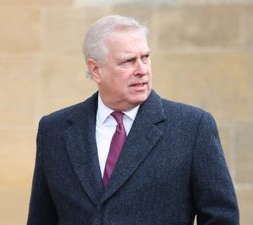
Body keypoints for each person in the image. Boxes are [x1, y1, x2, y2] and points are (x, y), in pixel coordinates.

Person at [27, 15, 239, 225]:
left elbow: (222, 218)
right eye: (128, 61)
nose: (142, 70)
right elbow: (42, 217)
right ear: (95, 70)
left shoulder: (193, 127)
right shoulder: (54, 130)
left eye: (145, 57)